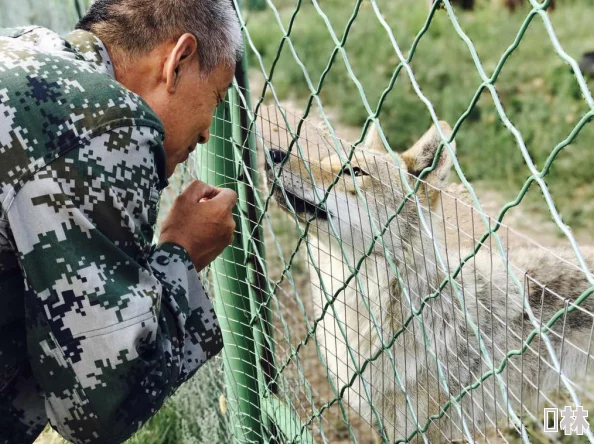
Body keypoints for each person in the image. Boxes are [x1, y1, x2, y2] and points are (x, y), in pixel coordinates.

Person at [0, 0, 242, 442]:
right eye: (217, 97)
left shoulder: (23, 52)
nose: (209, 131)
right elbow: (97, 407)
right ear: (178, 60)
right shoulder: (100, 117)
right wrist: (181, 255)